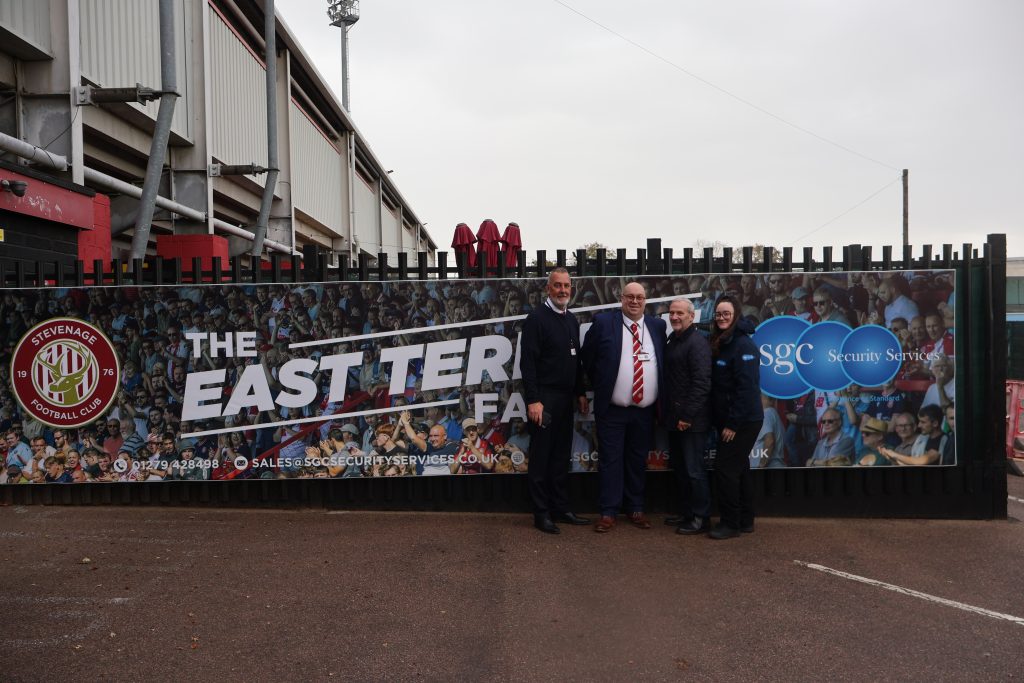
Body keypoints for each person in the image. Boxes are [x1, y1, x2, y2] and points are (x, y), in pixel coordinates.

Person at [581, 281, 666, 533]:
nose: (635, 301)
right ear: (621, 298)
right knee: (610, 460)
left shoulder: (657, 326)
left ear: (646, 300)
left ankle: (636, 508)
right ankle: (608, 512)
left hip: (645, 410)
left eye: (639, 297)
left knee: (637, 460)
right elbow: (588, 357)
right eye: (630, 297)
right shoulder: (604, 323)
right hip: (613, 410)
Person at [519, 267, 590, 534]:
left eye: (566, 286)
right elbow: (528, 363)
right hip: (544, 399)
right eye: (558, 286)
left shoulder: (571, 319)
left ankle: (561, 507)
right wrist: (534, 400)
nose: (563, 290)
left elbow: (576, 360)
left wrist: (580, 392)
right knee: (541, 458)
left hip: (566, 399)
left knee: (561, 456)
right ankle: (541, 513)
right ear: (548, 289)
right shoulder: (537, 319)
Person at [707, 294, 763, 539]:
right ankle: (745, 519)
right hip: (733, 419)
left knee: (726, 468)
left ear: (736, 315)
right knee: (739, 467)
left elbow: (746, 389)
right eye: (718, 314)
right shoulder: (724, 341)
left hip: (743, 421)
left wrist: (732, 424)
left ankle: (730, 524)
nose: (721, 318)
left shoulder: (743, 346)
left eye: (726, 314)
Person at [661, 297, 712, 535]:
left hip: (691, 421)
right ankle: (688, 513)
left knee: (694, 471)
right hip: (675, 419)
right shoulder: (674, 340)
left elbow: (701, 384)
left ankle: (701, 518)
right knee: (681, 470)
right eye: (672, 312)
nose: (675, 317)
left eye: (680, 313)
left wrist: (687, 416)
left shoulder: (697, 343)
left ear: (692, 316)